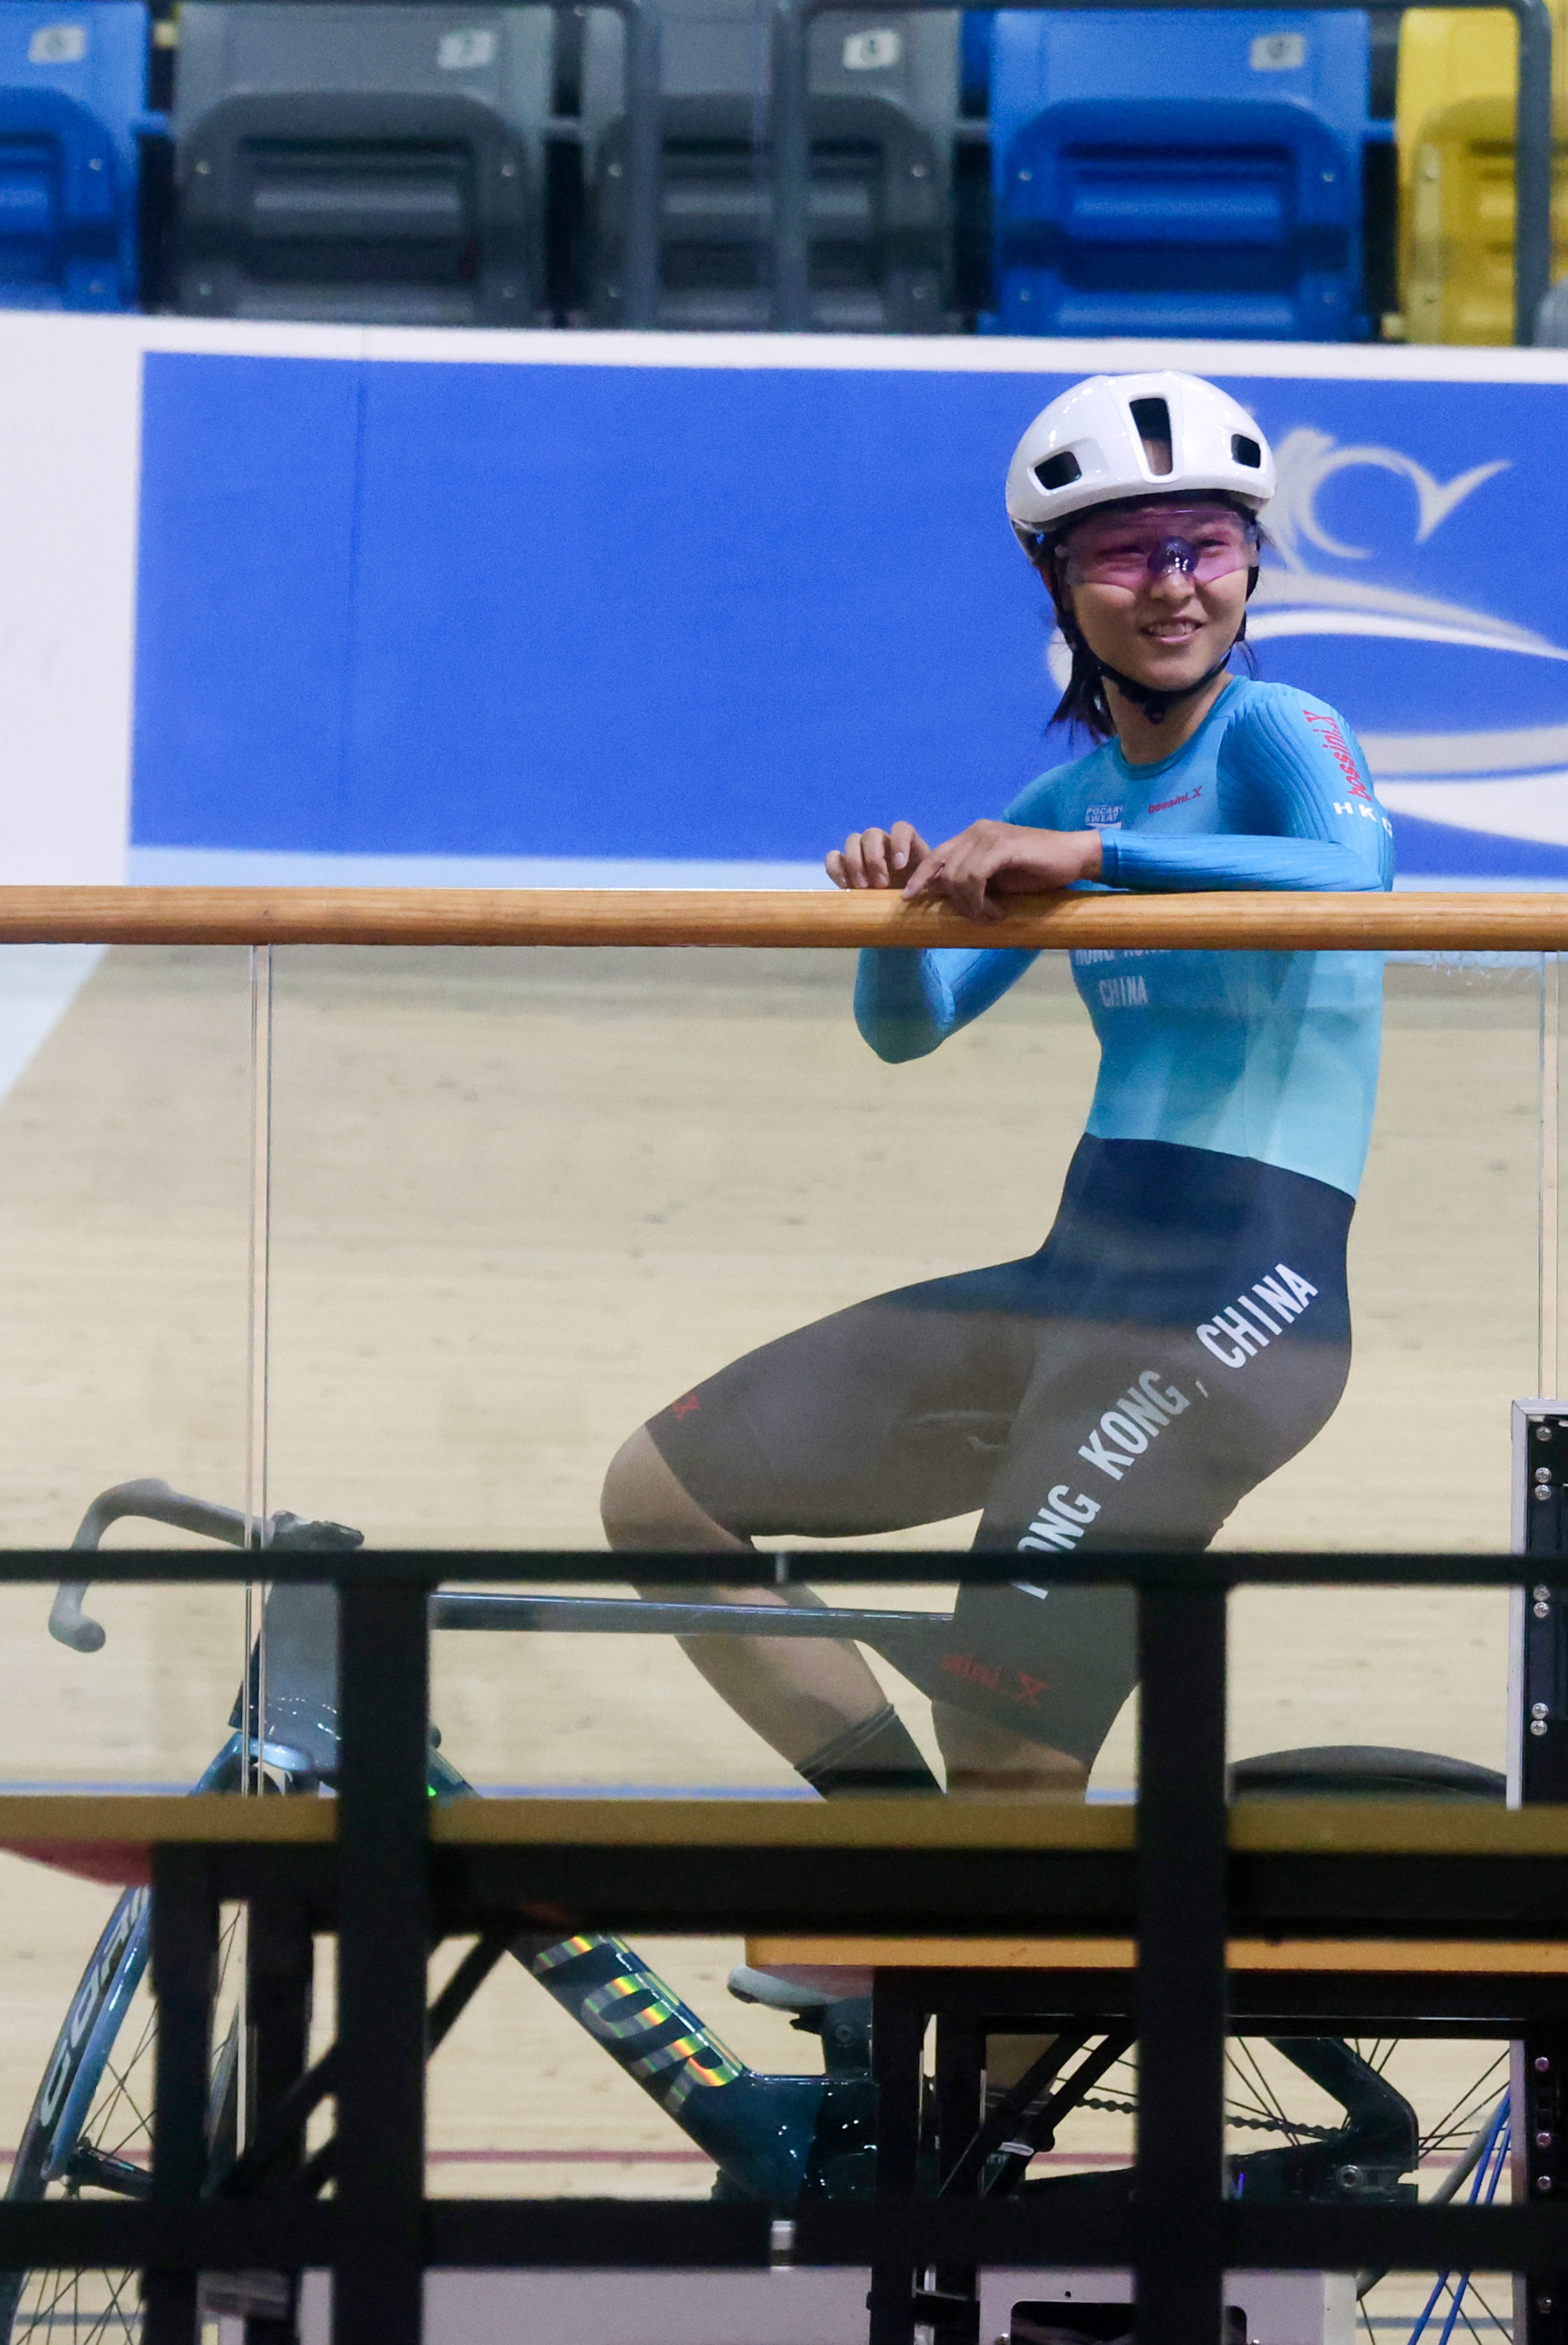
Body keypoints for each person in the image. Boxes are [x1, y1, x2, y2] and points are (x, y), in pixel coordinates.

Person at [516, 372, 1397, 2204]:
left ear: (1251, 563)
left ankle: (967, 2167)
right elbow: (913, 1034)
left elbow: (1347, 874)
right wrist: (892, 921)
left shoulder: (1276, 731)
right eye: (1123, 557)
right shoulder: (1062, 782)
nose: (1171, 584)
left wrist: (1089, 860)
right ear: (1058, 586)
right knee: (661, 1497)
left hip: (1236, 1292)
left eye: (1205, 545)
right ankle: (913, 1869)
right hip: (1087, 1266)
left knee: (1006, 1715)